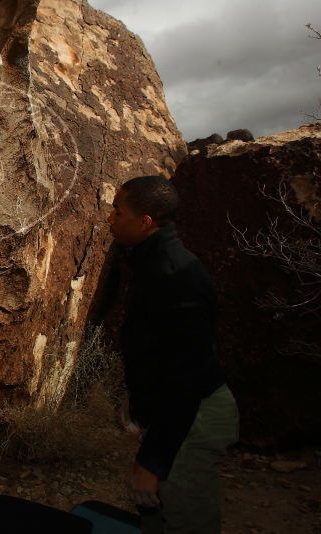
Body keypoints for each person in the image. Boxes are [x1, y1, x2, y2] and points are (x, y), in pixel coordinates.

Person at [107, 175, 240, 534]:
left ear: (146, 221)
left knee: (186, 522)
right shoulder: (152, 262)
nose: (110, 219)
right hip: (175, 414)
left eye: (118, 212)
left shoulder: (175, 274)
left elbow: (188, 376)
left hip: (193, 417)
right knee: (156, 515)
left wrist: (153, 461)